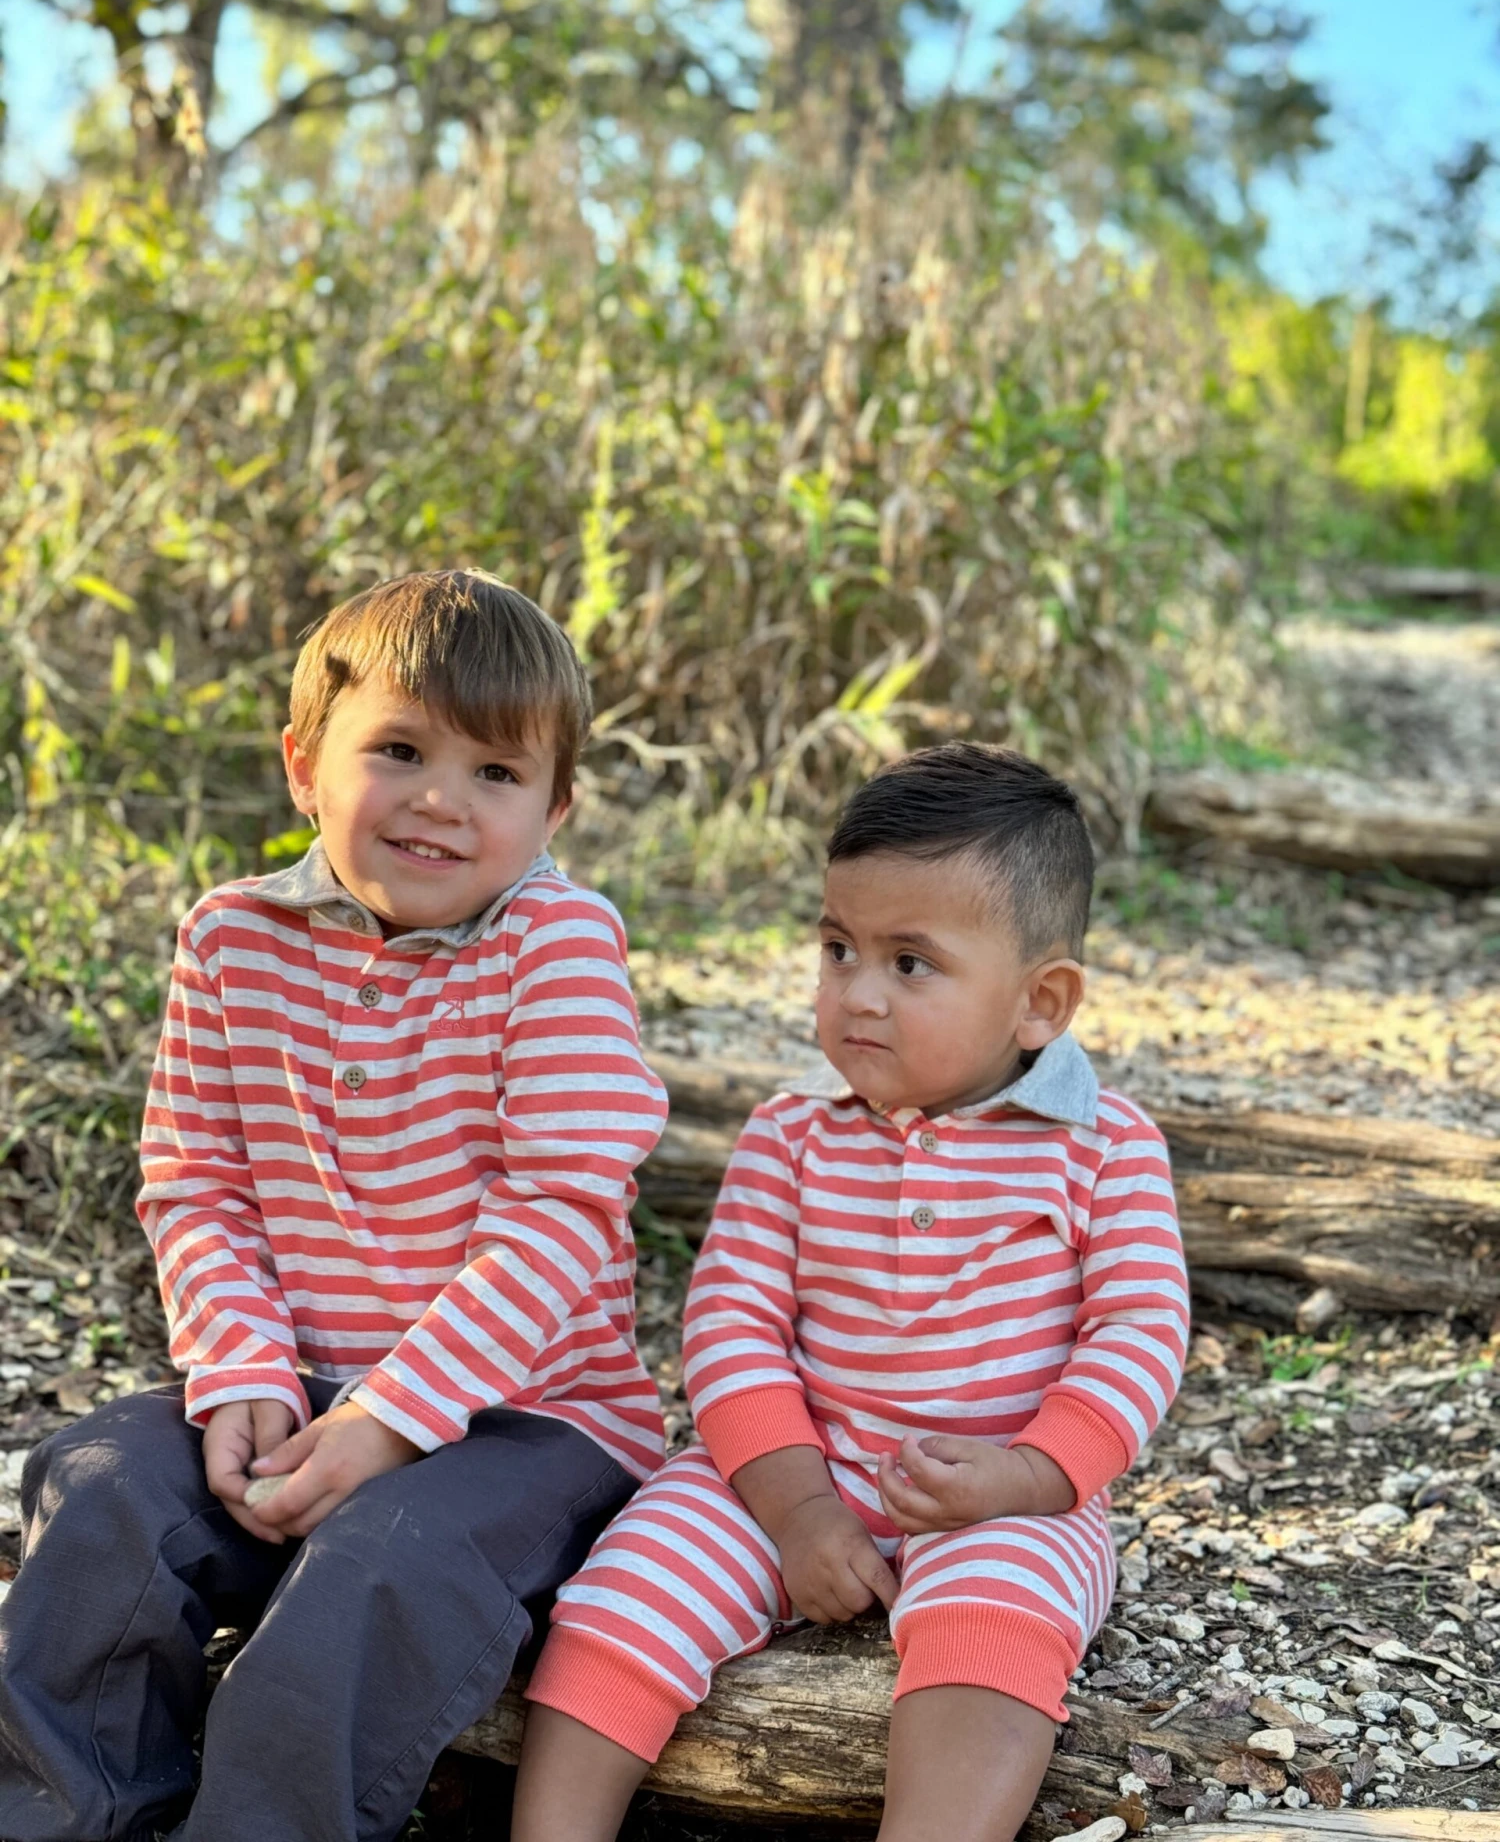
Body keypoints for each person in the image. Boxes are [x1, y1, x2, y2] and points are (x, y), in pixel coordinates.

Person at [0, 570, 668, 1842]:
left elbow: (559, 1213)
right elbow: (197, 1179)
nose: (441, 800)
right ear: (306, 764)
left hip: (530, 1421)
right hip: (294, 1388)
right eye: (401, 750)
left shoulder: (557, 946)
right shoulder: (234, 937)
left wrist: (387, 1421)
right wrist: (239, 1366)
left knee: (377, 1566)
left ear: (555, 808)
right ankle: (53, 1819)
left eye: (496, 773)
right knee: (96, 1488)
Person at [510, 743, 1190, 1842]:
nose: (856, 994)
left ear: (1041, 1001)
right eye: (838, 948)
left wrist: (1033, 1467)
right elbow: (732, 1325)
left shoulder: (1103, 1149)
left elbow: (1139, 1329)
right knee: (623, 1592)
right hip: (791, 1462)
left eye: (910, 962)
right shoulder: (792, 1135)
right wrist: (797, 1508)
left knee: (995, 1626)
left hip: (1003, 1485)